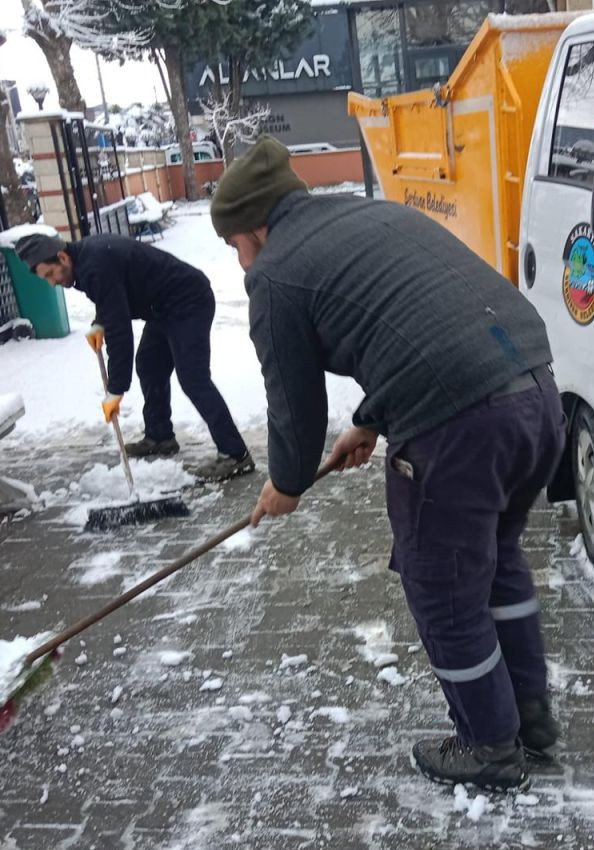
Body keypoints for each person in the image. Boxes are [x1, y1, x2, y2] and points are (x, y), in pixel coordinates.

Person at [212, 137, 565, 792]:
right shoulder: (367, 214)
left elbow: (293, 403)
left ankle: (489, 745)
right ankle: (529, 718)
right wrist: (371, 422)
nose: (239, 262)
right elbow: (420, 318)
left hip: (460, 424)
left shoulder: (275, 274)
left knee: (443, 586)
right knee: (495, 560)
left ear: (254, 228)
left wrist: (286, 483)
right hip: (534, 391)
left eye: (233, 245)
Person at [16, 232, 254, 482]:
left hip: (187, 301)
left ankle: (236, 455)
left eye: (51, 274)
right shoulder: (85, 260)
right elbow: (112, 298)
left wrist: (115, 391)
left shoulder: (94, 263)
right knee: (149, 365)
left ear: (62, 257)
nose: (53, 282)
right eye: (47, 279)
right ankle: (160, 436)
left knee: (193, 378)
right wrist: (100, 324)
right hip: (162, 306)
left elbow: (120, 332)